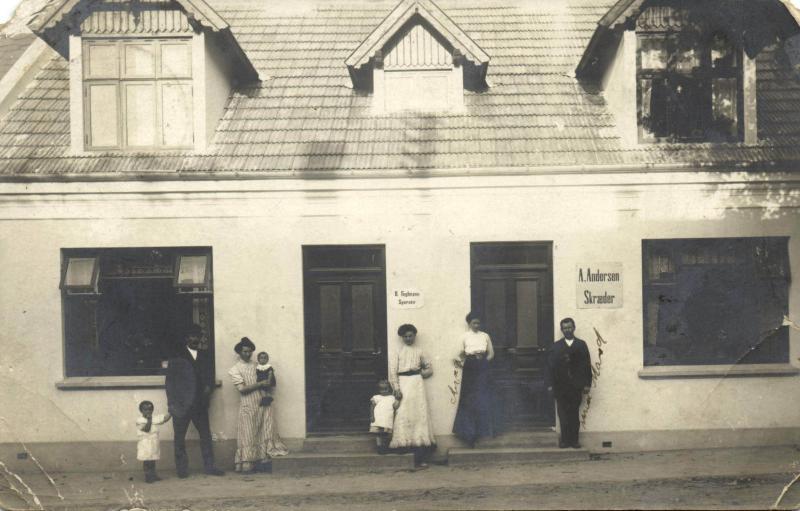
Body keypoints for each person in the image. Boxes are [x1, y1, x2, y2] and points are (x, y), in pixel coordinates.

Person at [165, 324, 225, 478]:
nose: (195, 339)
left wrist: (208, 388)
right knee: (179, 437)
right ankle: (182, 470)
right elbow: (170, 382)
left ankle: (210, 466)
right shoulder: (177, 356)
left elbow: (210, 377)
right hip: (181, 404)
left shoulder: (206, 356)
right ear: (186, 338)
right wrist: (171, 404)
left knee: (205, 435)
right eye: (192, 336)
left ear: (200, 338)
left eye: (197, 336)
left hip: (199, 404)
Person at [228, 337, 288, 473]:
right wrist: (260, 384)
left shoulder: (258, 365)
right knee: (248, 432)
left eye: (250, 351)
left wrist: (270, 377)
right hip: (248, 403)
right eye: (244, 351)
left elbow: (269, 380)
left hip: (261, 401)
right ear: (239, 352)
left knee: (262, 430)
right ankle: (246, 462)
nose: (247, 354)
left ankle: (261, 461)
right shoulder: (235, 369)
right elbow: (242, 389)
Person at [388, 324, 436, 468]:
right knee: (403, 413)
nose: (408, 339)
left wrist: (420, 374)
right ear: (402, 337)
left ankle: (420, 452)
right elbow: (392, 372)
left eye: (411, 336)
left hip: (416, 384)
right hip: (403, 383)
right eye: (405, 336)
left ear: (415, 336)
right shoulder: (397, 351)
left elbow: (429, 368)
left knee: (418, 413)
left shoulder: (420, 351)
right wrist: (396, 388)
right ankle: (403, 447)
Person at [547, 317, 592, 449]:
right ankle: (565, 441)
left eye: (569, 327)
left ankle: (574, 441)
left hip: (576, 386)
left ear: (574, 328)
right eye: (565, 328)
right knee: (562, 414)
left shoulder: (581, 344)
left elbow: (586, 365)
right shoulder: (556, 346)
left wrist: (587, 384)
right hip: (560, 386)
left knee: (573, 413)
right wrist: (550, 384)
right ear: (561, 330)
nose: (567, 330)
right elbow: (550, 367)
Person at [452, 311, 496, 447]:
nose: (476, 325)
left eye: (478, 323)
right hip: (470, 368)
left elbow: (491, 353)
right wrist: (466, 363)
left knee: (483, 397)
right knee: (469, 398)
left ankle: (485, 432)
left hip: (482, 367)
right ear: (469, 323)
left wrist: (483, 363)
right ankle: (468, 433)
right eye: (473, 323)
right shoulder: (465, 336)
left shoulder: (485, 336)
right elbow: (458, 354)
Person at [135, 400, 171, 483]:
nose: (148, 411)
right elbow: (147, 429)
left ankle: (153, 475)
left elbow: (164, 419)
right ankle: (148, 476)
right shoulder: (140, 420)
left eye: (150, 409)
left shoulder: (154, 418)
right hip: (145, 443)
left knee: (153, 459)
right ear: (141, 410)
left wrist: (171, 412)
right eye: (146, 409)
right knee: (147, 460)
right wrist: (149, 420)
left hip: (154, 442)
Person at [369, 379, 400, 454]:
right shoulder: (376, 397)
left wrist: (398, 399)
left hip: (387, 420)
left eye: (386, 389)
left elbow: (395, 406)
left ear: (389, 389)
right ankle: (379, 447)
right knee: (378, 434)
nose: (384, 391)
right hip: (378, 419)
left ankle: (385, 447)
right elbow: (372, 407)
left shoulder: (392, 398)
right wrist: (372, 416)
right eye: (381, 389)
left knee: (386, 434)